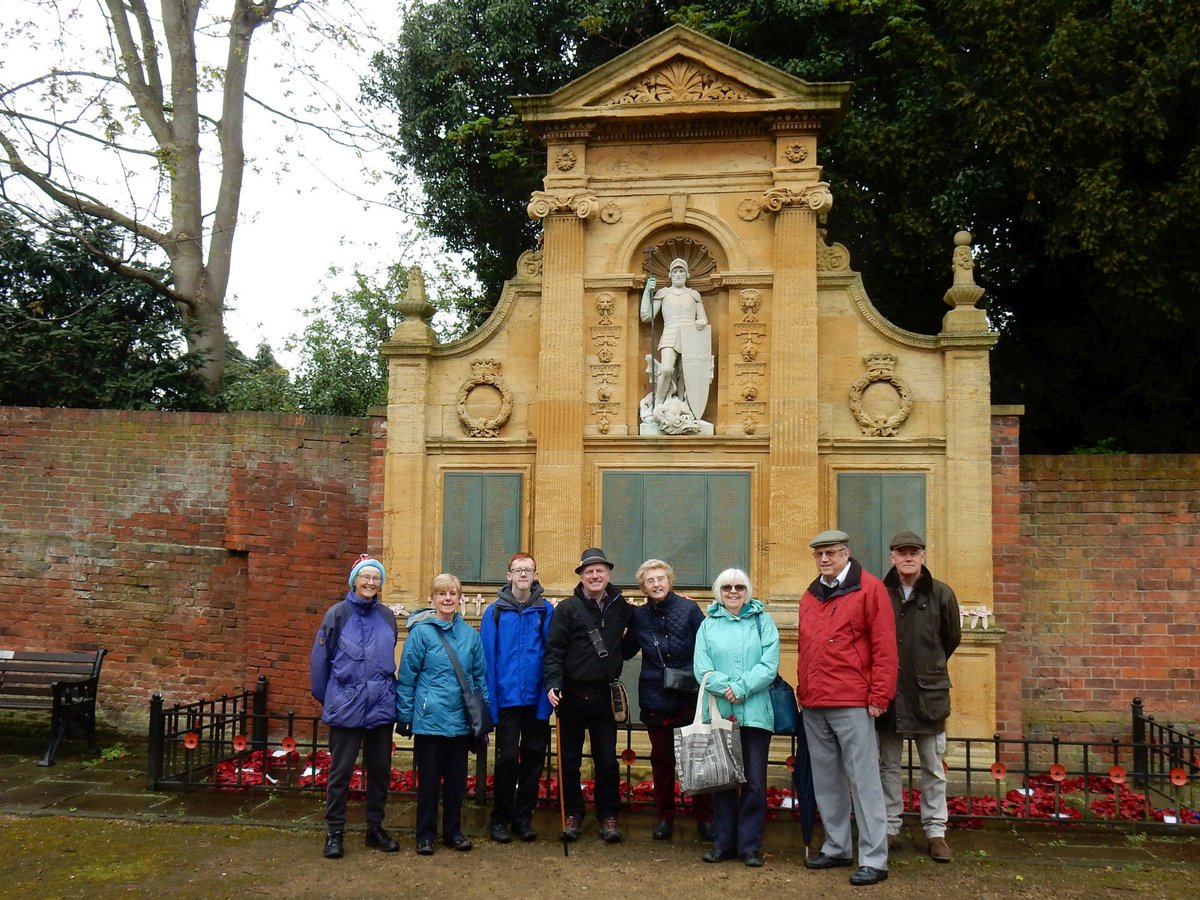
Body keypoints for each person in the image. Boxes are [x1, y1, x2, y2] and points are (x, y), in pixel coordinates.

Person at [798, 529, 898, 887]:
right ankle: (837, 846)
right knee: (827, 781)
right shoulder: (810, 594)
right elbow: (806, 647)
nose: (824, 559)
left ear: (845, 554)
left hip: (853, 699)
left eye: (831, 553)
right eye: (819, 554)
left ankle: (874, 858)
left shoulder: (870, 589)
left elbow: (885, 645)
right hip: (815, 701)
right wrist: (804, 692)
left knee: (864, 781)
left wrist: (879, 696)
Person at [876, 531, 961, 863]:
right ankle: (890, 828)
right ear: (893, 557)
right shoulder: (880, 593)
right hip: (891, 693)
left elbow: (950, 638)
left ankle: (936, 832)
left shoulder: (941, 593)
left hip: (929, 694)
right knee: (888, 766)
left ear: (923, 556)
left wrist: (928, 667)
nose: (908, 557)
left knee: (933, 767)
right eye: (902, 552)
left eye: (914, 552)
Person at [309, 554, 400, 859]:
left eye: (376, 578)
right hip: (346, 708)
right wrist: (334, 700)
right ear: (354, 581)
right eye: (365, 577)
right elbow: (320, 665)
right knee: (341, 773)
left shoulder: (386, 617)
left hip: (381, 707)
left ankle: (375, 829)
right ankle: (335, 832)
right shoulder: (337, 615)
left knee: (379, 773)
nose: (370, 583)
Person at [543, 547, 633, 843]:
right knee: (569, 760)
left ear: (608, 574)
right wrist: (553, 683)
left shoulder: (622, 608)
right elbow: (554, 649)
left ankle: (608, 816)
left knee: (606, 760)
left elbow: (640, 632)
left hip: (603, 696)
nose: (595, 575)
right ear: (581, 576)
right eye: (589, 571)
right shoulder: (567, 609)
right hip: (571, 695)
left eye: (600, 571)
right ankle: (572, 814)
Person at [621, 559, 714, 841]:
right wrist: (618, 622)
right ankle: (664, 817)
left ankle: (705, 818)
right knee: (662, 761)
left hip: (688, 695)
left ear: (670, 581)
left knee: (696, 757)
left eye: (660, 579)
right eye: (650, 581)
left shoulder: (688, 609)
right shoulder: (638, 616)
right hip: (656, 696)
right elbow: (625, 651)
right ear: (643, 587)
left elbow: (707, 643)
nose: (656, 584)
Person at [395, 573, 489, 856]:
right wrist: (405, 715)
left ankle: (453, 832)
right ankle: (425, 835)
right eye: (441, 594)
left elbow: (479, 676)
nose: (447, 599)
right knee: (429, 781)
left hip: (460, 720)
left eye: (452, 594)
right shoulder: (421, 633)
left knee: (456, 782)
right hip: (430, 719)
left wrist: (482, 715)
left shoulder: (470, 635)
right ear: (432, 598)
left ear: (460, 599)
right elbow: (408, 677)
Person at [692, 568, 778, 867]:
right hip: (720, 712)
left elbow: (769, 664)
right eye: (726, 587)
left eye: (739, 587)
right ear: (718, 591)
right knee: (723, 780)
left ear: (747, 591)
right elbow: (702, 668)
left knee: (754, 782)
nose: (733, 592)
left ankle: (750, 846)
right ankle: (723, 843)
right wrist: (727, 688)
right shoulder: (708, 624)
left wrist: (741, 688)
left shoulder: (763, 621)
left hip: (755, 713)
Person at [481, 552, 555, 844]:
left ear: (535, 575)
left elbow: (551, 655)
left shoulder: (545, 611)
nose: (523, 574)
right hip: (507, 699)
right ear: (509, 575)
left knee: (534, 759)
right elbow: (488, 659)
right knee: (508, 758)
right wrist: (492, 704)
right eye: (518, 570)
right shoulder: (495, 612)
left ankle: (523, 817)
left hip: (535, 699)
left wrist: (546, 700)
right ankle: (500, 818)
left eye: (528, 570)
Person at [640, 257, 709, 413]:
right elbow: (647, 316)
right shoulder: (663, 293)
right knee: (666, 369)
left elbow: (703, 318)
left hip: (690, 334)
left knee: (686, 373)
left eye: (681, 271)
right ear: (670, 275)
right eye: (675, 271)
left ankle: (684, 405)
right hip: (670, 333)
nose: (678, 274)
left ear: (687, 274)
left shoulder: (694, 294)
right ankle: (658, 404)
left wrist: (701, 321)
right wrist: (647, 291)